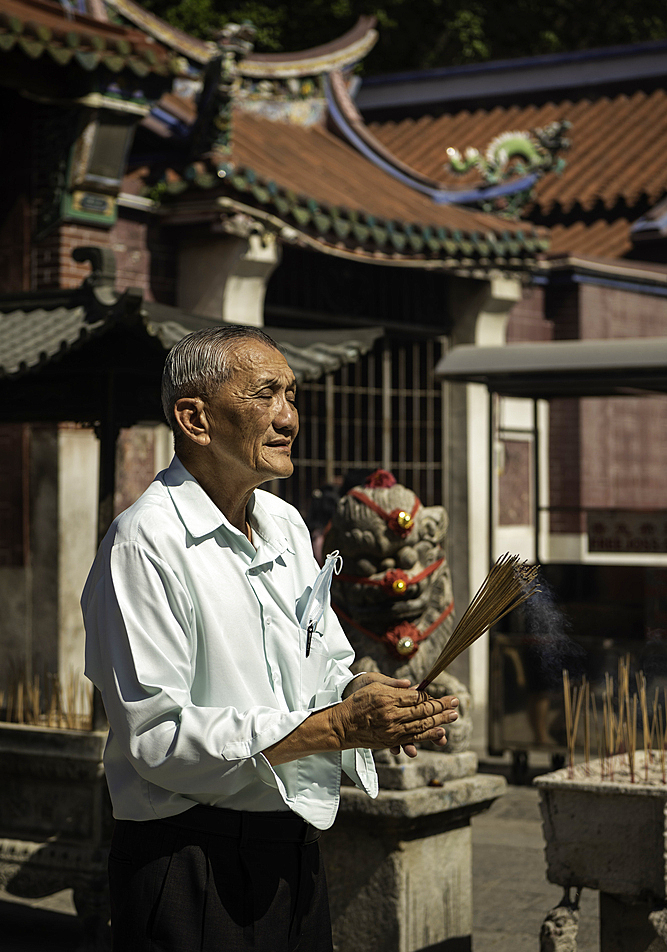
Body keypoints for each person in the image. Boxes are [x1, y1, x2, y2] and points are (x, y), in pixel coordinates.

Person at [82, 325, 459, 952]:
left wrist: (372, 697)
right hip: (190, 858)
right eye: (266, 395)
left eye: (291, 394)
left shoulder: (283, 524)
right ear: (195, 419)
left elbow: (327, 660)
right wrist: (338, 728)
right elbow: (158, 738)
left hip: (293, 846)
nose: (290, 418)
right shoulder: (144, 543)